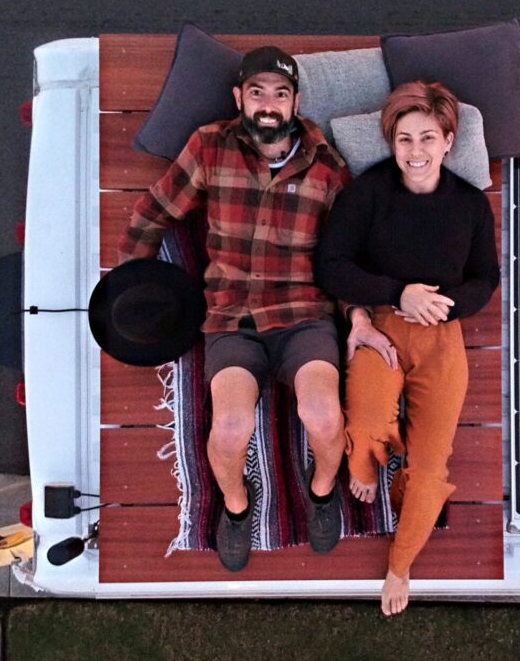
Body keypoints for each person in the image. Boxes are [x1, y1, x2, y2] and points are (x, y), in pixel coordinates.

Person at [119, 46, 351, 572]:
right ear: (239, 98)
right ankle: (236, 507)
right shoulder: (210, 147)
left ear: (295, 102)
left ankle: (321, 493)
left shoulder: (328, 168)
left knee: (324, 415)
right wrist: (130, 286)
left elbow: (344, 256)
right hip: (231, 319)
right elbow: (154, 211)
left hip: (302, 316)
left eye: (281, 94)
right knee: (227, 429)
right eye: (257, 92)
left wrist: (357, 317)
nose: (269, 105)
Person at [316, 81, 500, 615]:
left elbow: (485, 277)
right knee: (368, 417)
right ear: (391, 143)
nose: (415, 151)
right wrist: (398, 293)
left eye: (426, 138)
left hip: (441, 334)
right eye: (403, 139)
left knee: (430, 465)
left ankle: (400, 564)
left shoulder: (469, 206)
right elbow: (333, 264)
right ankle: (367, 463)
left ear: (447, 142)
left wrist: (445, 305)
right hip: (380, 322)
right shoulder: (367, 194)